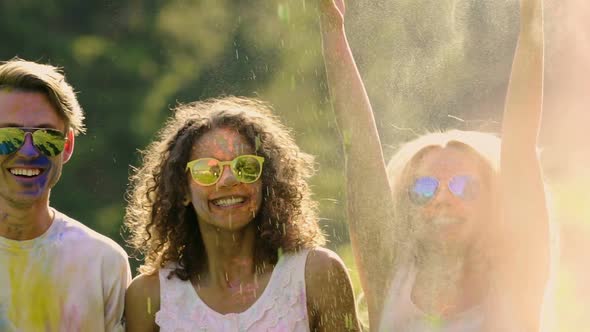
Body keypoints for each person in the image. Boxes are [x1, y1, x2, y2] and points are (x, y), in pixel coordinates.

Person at [320, 0, 549, 331]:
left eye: (464, 187)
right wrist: (332, 30)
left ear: (492, 201)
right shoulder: (389, 276)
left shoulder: (517, 277)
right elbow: (357, 146)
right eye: (425, 188)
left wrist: (531, 16)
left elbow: (521, 144)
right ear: (406, 203)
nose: (443, 198)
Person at [124, 96, 360, 331]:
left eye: (245, 166)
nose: (228, 180)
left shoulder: (317, 274)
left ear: (265, 181)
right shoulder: (149, 296)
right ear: (183, 189)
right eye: (207, 170)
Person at [0, 58, 131, 331]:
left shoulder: (103, 263)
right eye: (8, 136)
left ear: (67, 145)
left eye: (46, 137)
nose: (28, 151)